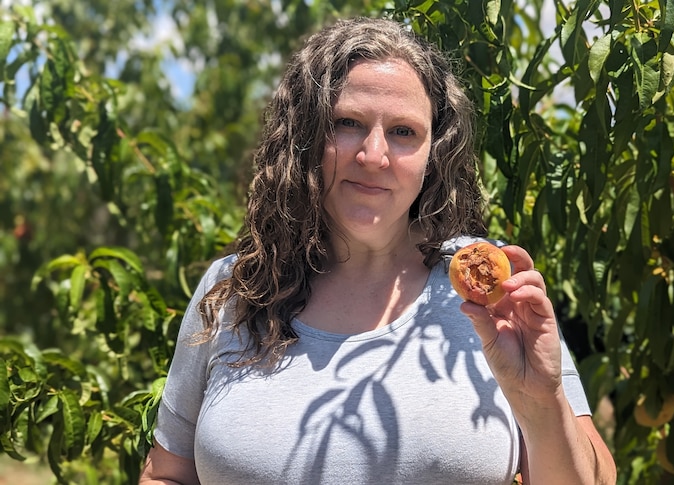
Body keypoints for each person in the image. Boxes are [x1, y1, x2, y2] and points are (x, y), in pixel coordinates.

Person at [139, 16, 616, 485]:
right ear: (304, 135)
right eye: (347, 123)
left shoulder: (491, 295)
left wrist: (539, 400)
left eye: (404, 132)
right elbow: (167, 474)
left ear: (436, 153)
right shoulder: (235, 290)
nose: (373, 155)